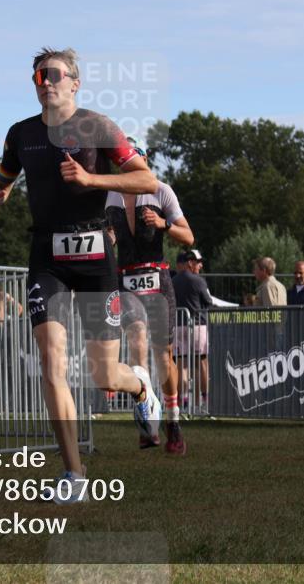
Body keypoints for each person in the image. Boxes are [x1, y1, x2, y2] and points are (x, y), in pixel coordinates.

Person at [0, 46, 160, 503]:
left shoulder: (97, 127)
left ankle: (140, 388)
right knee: (51, 359)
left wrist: (92, 182)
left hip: (95, 254)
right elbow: (5, 178)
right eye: (37, 76)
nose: (44, 81)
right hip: (47, 255)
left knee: (103, 376)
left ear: (74, 82)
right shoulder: (20, 134)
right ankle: (74, 476)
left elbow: (147, 180)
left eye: (53, 74)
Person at [105, 138, 194, 454]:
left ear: (142, 162)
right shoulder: (110, 195)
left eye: (131, 161)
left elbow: (188, 235)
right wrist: (108, 239)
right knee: (137, 345)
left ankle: (173, 421)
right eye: (121, 162)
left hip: (157, 279)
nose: (125, 167)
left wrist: (163, 223)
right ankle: (147, 419)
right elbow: (109, 233)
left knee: (163, 354)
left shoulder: (160, 190)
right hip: (126, 279)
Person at [173, 249, 213, 414]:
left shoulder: (174, 280)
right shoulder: (198, 281)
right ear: (190, 263)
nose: (200, 265)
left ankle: (182, 403)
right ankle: (203, 403)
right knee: (201, 364)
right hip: (197, 325)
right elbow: (208, 301)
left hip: (178, 325)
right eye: (198, 262)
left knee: (181, 365)